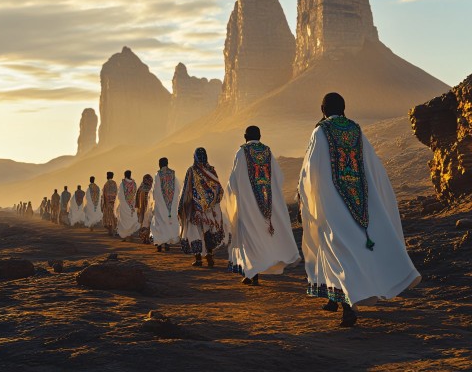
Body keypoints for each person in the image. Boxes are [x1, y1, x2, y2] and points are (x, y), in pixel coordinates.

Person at [298, 92, 421, 327]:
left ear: (323, 109)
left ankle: (347, 306)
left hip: (332, 202)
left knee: (336, 249)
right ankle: (333, 299)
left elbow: (310, 169)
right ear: (343, 108)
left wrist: (304, 195)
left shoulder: (320, 131)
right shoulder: (356, 130)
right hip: (360, 202)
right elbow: (372, 166)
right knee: (346, 247)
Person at [223, 126, 301, 286]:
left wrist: (233, 198)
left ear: (245, 137)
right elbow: (278, 177)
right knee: (262, 235)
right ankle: (255, 270)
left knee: (250, 238)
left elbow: (233, 181)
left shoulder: (241, 152)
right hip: (267, 204)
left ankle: (252, 272)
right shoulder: (267, 152)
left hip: (248, 205)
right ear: (260, 136)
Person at [178, 147, 225, 267]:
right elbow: (218, 189)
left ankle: (198, 259)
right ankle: (209, 256)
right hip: (210, 209)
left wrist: (183, 206)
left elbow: (186, 191)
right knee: (208, 231)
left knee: (195, 232)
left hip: (195, 209)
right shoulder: (212, 171)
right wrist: (210, 202)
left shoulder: (191, 170)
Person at [149, 157, 181, 252]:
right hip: (172, 204)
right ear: (167, 163)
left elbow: (156, 190)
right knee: (169, 222)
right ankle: (167, 243)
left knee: (159, 222)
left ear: (160, 164)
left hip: (160, 203)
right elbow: (177, 189)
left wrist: (155, 202)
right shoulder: (173, 173)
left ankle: (159, 243)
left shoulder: (158, 174)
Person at [115, 170, 140, 241]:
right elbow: (135, 193)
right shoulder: (134, 183)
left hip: (124, 205)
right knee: (131, 219)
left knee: (124, 220)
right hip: (132, 204)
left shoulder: (122, 183)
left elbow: (120, 195)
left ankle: (126, 236)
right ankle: (130, 235)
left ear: (124, 175)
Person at [135, 174, 153, 242]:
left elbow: (137, 199)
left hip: (141, 209)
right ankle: (147, 238)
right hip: (148, 209)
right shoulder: (151, 188)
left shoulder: (140, 188)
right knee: (148, 223)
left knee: (143, 223)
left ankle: (145, 239)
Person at [101, 172, 118, 236]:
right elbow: (116, 192)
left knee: (108, 217)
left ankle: (110, 231)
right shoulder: (114, 183)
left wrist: (103, 204)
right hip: (114, 203)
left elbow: (104, 195)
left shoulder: (106, 184)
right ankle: (113, 230)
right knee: (113, 216)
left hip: (107, 203)